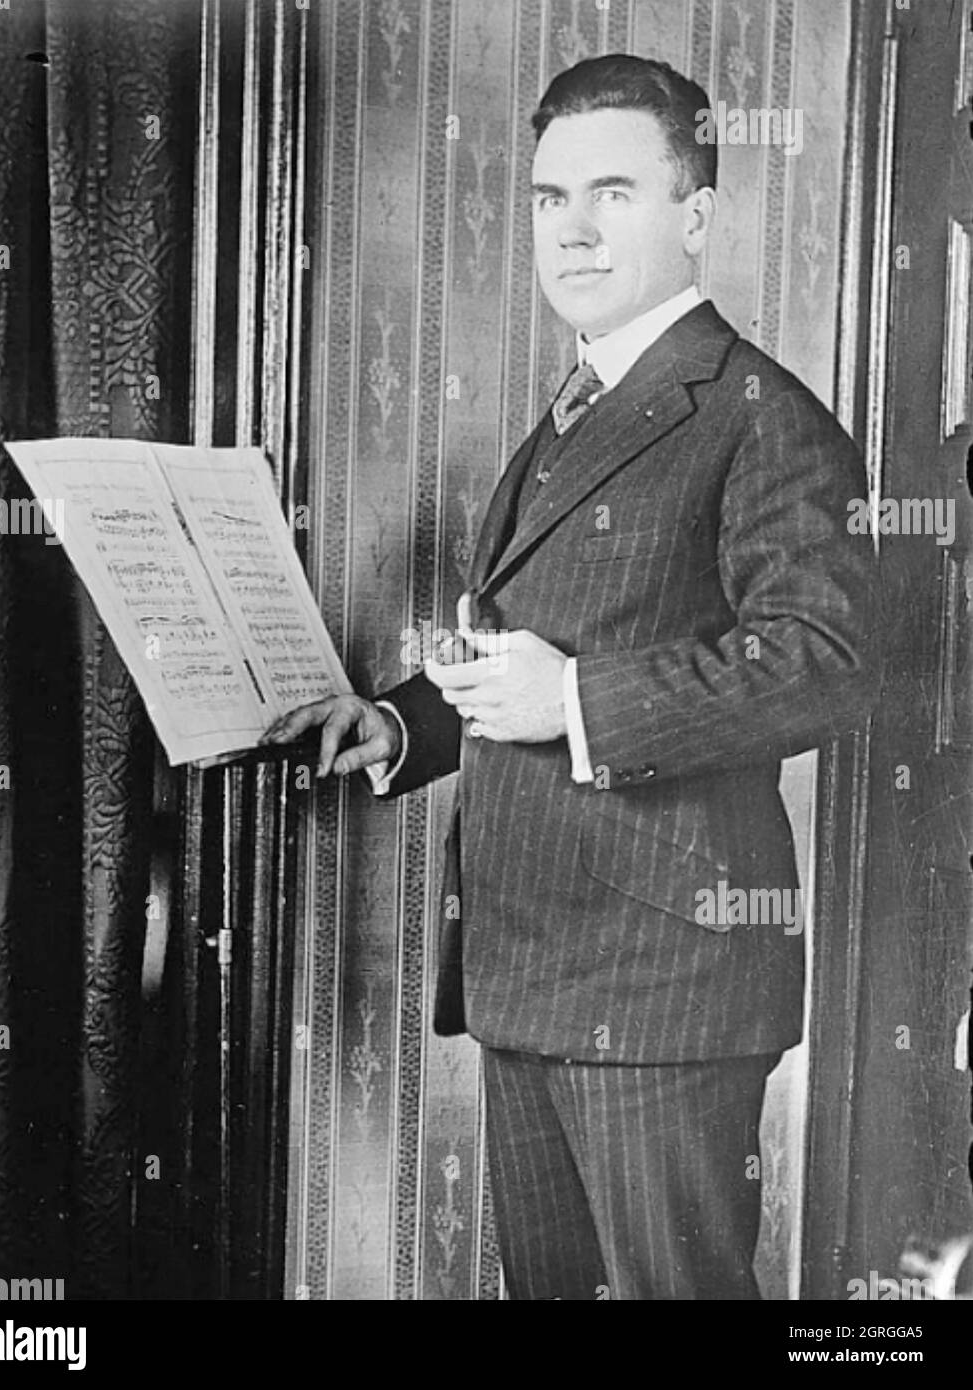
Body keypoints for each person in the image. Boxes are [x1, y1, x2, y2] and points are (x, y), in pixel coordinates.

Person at [262, 54, 880, 1300]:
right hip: (530, 975)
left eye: (615, 192)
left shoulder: (764, 415)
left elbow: (829, 663)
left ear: (696, 215)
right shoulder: (576, 409)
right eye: (550, 198)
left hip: (663, 989)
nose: (575, 230)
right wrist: (395, 722)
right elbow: (526, 649)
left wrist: (582, 703)